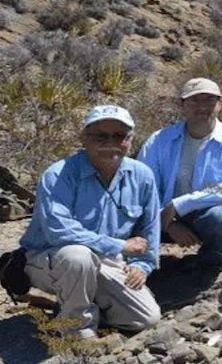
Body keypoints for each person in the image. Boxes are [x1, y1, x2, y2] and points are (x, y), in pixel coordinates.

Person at [19, 105, 160, 339]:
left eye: (119, 136)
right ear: (84, 138)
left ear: (131, 140)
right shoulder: (59, 175)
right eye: (101, 136)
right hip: (50, 257)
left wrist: (142, 264)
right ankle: (76, 329)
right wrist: (119, 246)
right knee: (79, 256)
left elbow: (149, 228)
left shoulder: (142, 175)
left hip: (107, 260)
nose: (110, 142)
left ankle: (71, 306)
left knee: (146, 319)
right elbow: (59, 232)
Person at [137, 78, 222, 270]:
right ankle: (138, 266)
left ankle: (208, 268)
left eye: (209, 100)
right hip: (163, 217)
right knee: (125, 210)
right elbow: (143, 189)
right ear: (182, 105)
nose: (201, 107)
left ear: (220, 104)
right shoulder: (158, 140)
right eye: (194, 100)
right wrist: (169, 223)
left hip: (206, 216)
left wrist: (179, 204)